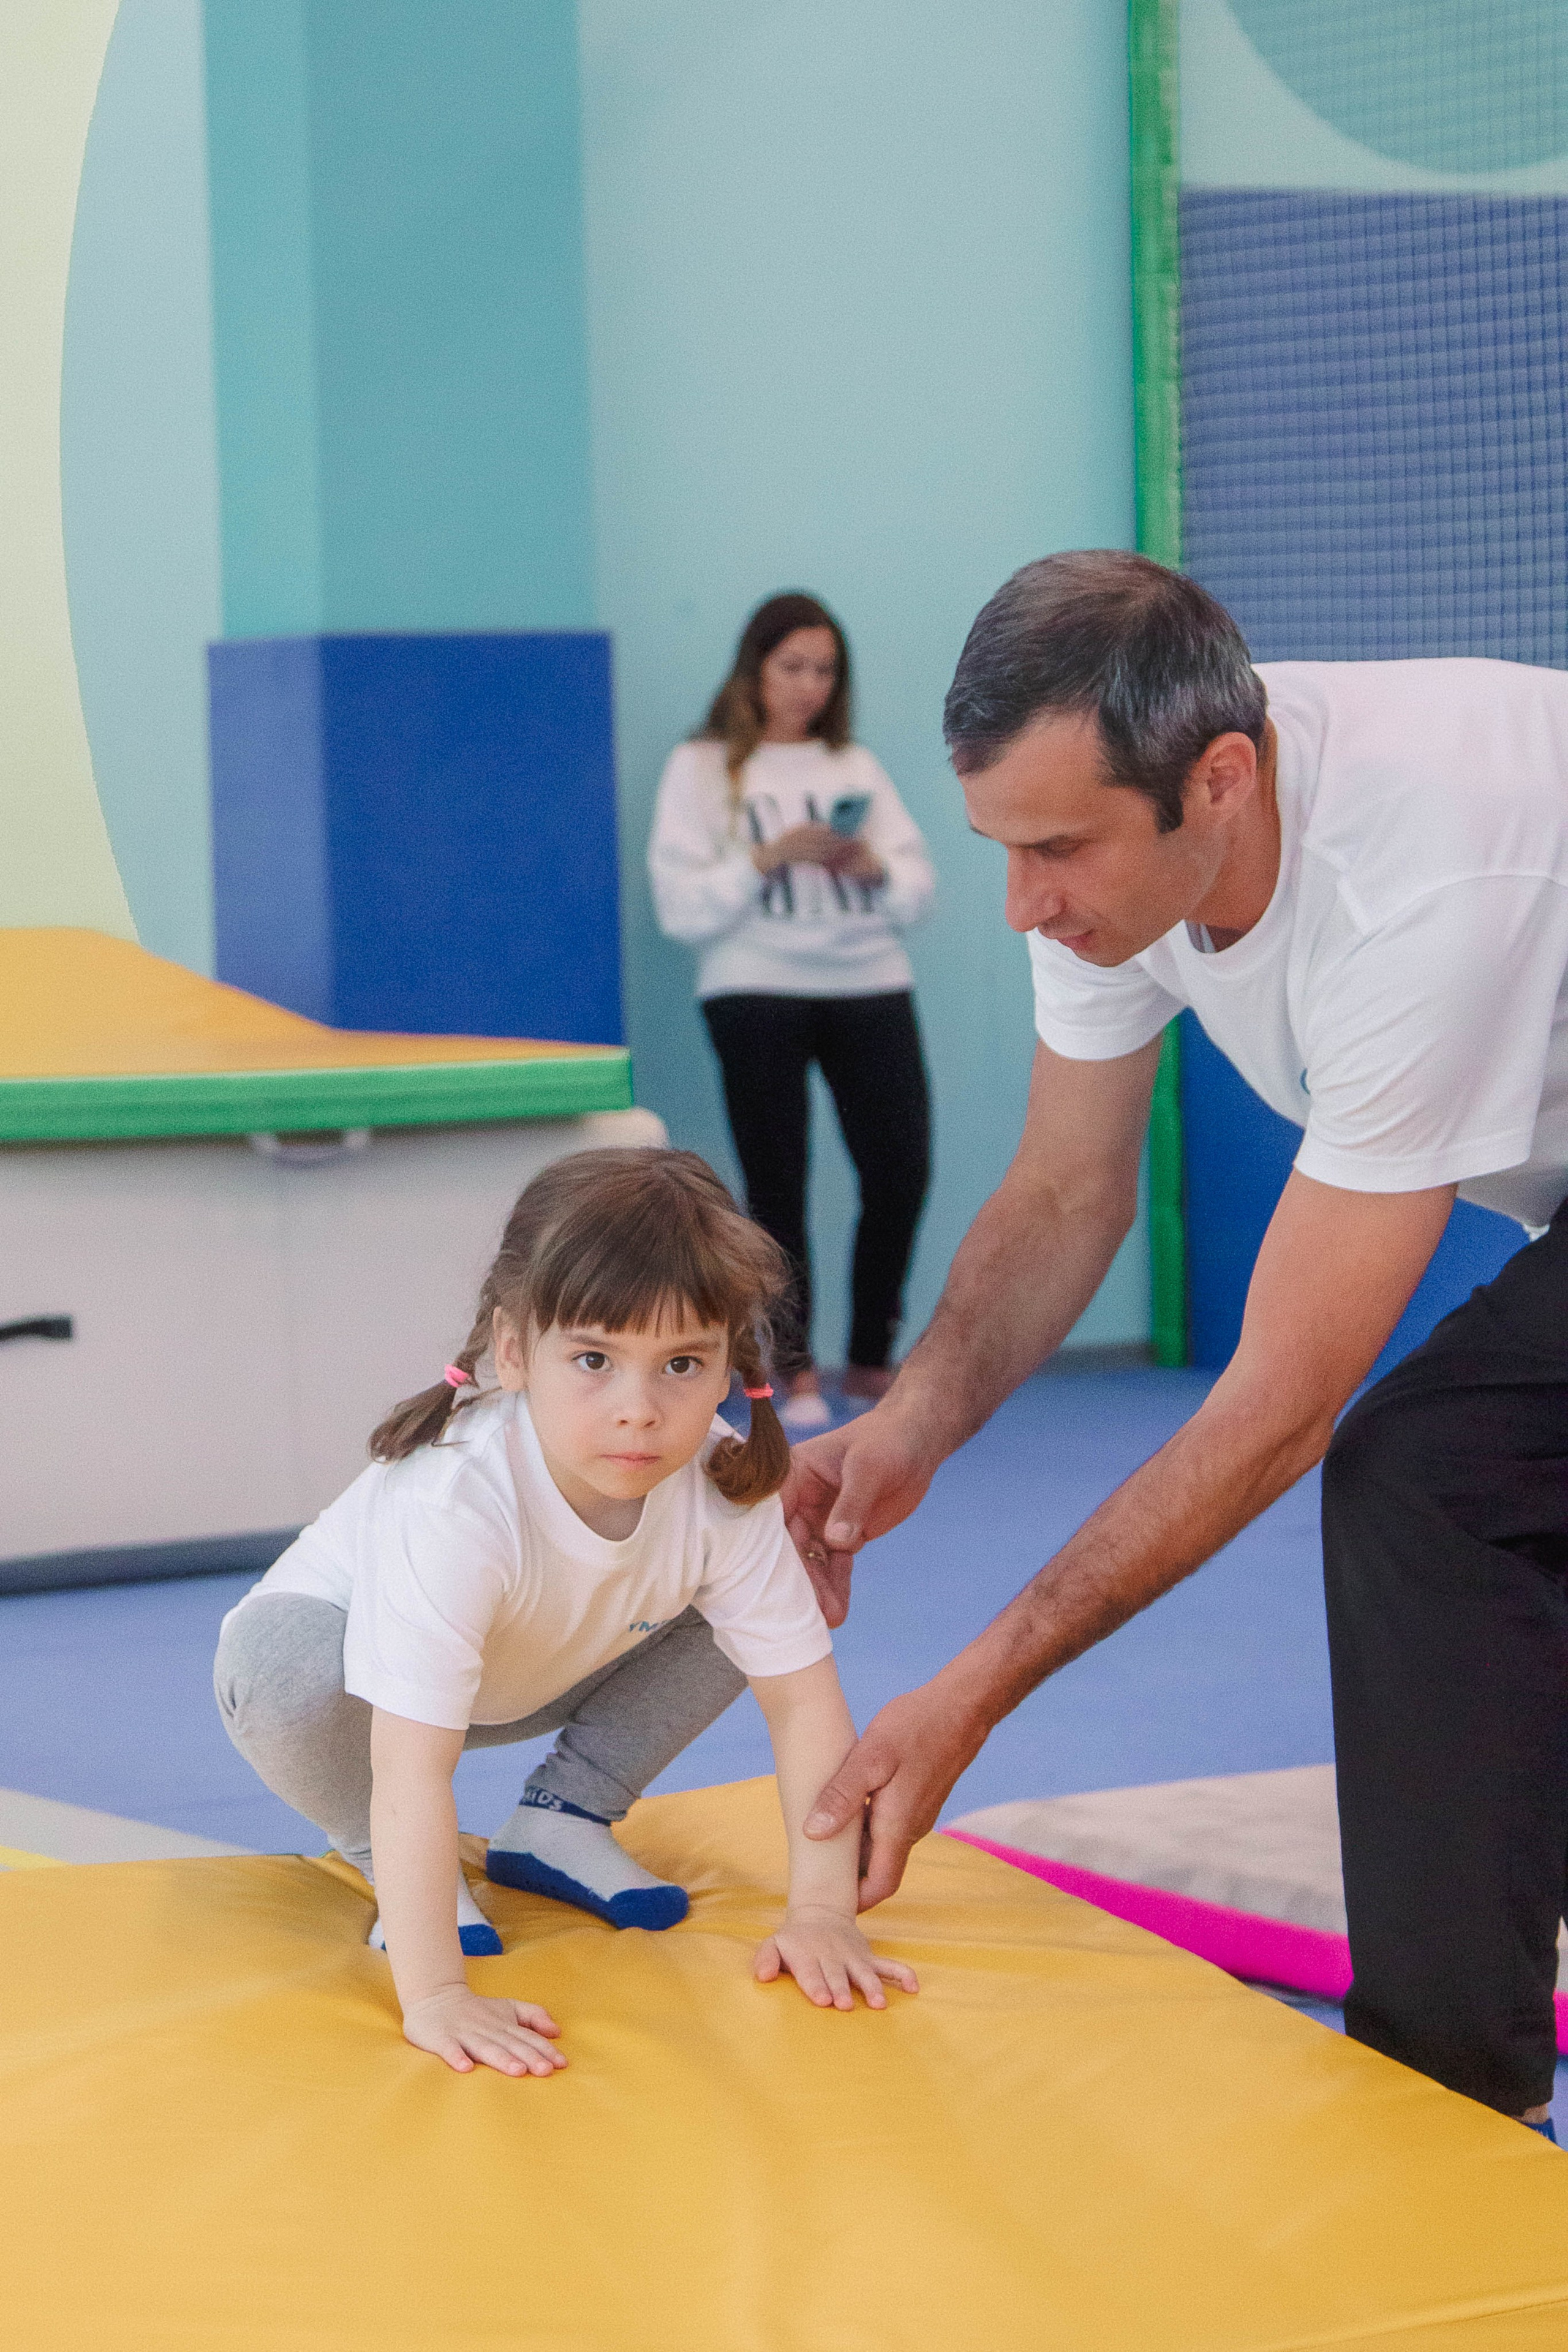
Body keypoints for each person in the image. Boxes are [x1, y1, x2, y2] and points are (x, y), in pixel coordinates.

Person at [786, 550, 1568, 2134]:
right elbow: (1069, 1190)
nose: (1024, 904)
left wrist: (975, 1691)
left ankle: (1441, 2108)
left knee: (1426, 1469)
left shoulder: (1423, 879)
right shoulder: (1105, 877)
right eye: (1002, 847)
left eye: (1057, 850)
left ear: (1220, 779)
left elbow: (1281, 1403)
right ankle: (1452, 2097)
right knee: (1453, 1477)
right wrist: (913, 1422)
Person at [214, 1147, 916, 2078]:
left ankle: (563, 1817)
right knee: (283, 1674)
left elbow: (804, 1706)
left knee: (758, 1612)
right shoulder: (457, 1501)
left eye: (681, 1364)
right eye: (593, 1359)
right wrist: (437, 1995)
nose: (639, 1410)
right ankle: (384, 1862)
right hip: (351, 1696)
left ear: (729, 1369)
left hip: (541, 1670)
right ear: (514, 1353)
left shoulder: (722, 1489)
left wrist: (822, 1913)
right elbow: (411, 1766)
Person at [649, 591, 936, 1432]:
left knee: (900, 1171)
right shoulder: (703, 767)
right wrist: (765, 861)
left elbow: (921, 892)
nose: (810, 686)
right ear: (755, 668)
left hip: (869, 981)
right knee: (778, 1185)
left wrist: (871, 868)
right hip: (754, 987)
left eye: (825, 670)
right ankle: (794, 1367)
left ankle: (875, 1356)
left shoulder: (855, 767)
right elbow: (680, 910)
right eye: (793, 666)